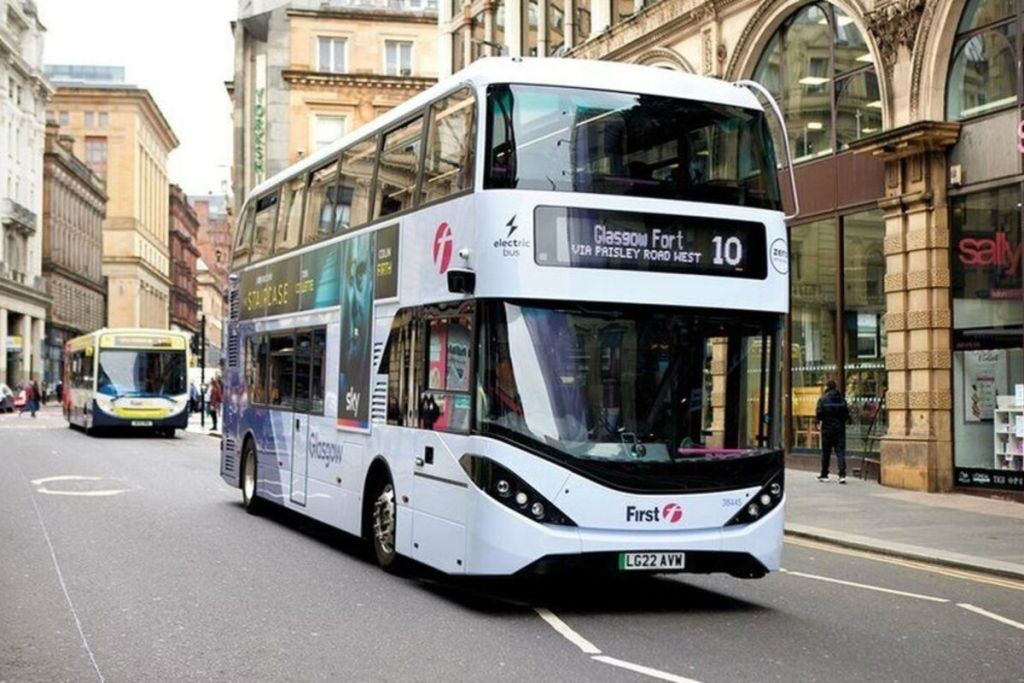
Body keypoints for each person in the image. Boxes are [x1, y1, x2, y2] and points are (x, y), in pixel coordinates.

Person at [816, 379, 850, 483]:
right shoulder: (841, 399)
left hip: (827, 429)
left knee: (826, 453)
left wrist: (820, 421)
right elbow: (846, 414)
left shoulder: (822, 399)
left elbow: (819, 414)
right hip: (839, 429)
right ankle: (842, 475)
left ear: (827, 387)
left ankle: (824, 474)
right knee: (840, 452)